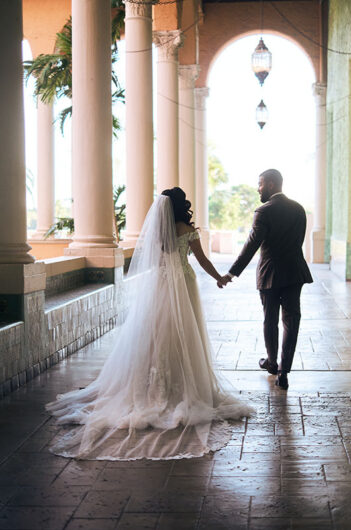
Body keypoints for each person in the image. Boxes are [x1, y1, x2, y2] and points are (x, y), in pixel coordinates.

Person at [46, 187, 253, 461]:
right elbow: (202, 260)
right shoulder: (188, 229)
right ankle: (181, 385)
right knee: (184, 332)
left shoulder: (158, 230)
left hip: (160, 284)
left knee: (156, 333)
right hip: (184, 283)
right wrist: (219, 278)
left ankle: (149, 387)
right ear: (182, 206)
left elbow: (153, 260)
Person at [222, 169, 313, 390]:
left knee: (270, 319)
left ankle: (272, 363)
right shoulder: (299, 209)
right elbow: (297, 241)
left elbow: (252, 245)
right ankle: (284, 372)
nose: (258, 188)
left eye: (260, 183)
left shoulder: (264, 211)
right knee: (292, 321)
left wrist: (232, 272)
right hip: (294, 272)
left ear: (271, 184)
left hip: (270, 273)